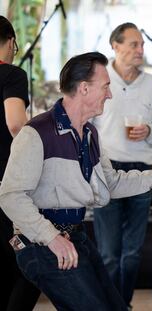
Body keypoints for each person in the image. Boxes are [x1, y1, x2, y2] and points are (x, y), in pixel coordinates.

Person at [0, 51, 152, 311]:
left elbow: (110, 183)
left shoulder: (90, 133)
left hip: (74, 236)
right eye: (106, 86)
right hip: (40, 244)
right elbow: (10, 196)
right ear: (84, 88)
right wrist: (52, 238)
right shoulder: (36, 132)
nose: (110, 94)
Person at [91, 22, 152, 308]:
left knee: (133, 252)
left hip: (142, 170)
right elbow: (86, 124)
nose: (140, 50)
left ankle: (124, 304)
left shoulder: (151, 84)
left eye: (142, 45)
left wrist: (149, 130)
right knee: (109, 253)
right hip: (106, 169)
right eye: (134, 44)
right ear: (115, 45)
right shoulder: (99, 79)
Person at [0, 15, 41, 311]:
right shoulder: (11, 75)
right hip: (5, 184)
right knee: (30, 264)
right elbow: (16, 124)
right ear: (12, 42)